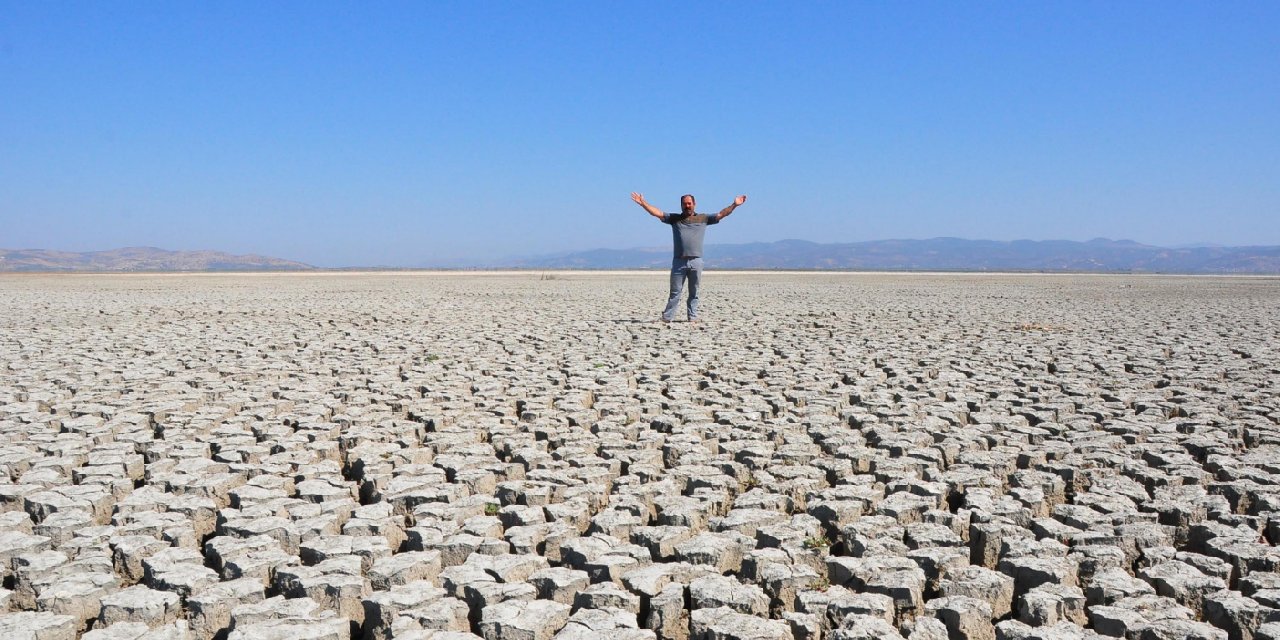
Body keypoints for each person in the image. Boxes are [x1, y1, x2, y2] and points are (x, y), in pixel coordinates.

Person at [630, 192, 748, 323]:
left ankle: (692, 317)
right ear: (681, 205)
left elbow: (721, 214)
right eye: (684, 204)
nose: (687, 206)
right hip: (679, 261)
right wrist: (643, 203)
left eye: (689, 203)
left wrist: (735, 205)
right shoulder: (674, 219)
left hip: (696, 261)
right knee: (675, 292)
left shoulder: (703, 218)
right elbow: (657, 213)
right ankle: (667, 317)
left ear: (694, 204)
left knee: (694, 292)